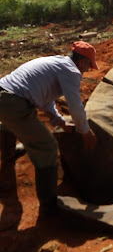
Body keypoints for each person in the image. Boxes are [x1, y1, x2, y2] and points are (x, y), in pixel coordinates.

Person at [0, 41, 98, 217]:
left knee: (8, 121)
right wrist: (85, 131)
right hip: (13, 102)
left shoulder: (56, 62)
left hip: (4, 93)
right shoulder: (72, 71)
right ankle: (49, 205)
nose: (87, 71)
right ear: (83, 62)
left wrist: (59, 122)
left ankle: (8, 155)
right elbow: (75, 105)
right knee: (47, 147)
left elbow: (45, 99)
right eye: (89, 67)